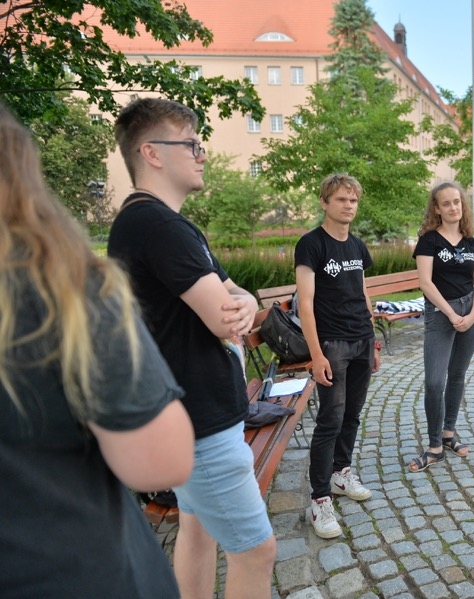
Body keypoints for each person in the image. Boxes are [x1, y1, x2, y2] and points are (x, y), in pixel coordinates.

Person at [0, 102, 194, 596]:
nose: (201, 155)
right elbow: (162, 462)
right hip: (75, 567)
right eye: (191, 144)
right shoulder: (58, 289)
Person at [108, 98, 276, 598]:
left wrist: (241, 303)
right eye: (190, 144)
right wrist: (238, 307)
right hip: (201, 423)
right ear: (152, 153)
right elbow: (227, 316)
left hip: (189, 417)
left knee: (198, 531)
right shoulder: (158, 226)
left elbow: (240, 295)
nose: (202, 154)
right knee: (255, 551)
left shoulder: (162, 224)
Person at [295, 173, 381, 538]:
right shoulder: (311, 245)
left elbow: (363, 297)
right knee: (330, 420)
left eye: (353, 200)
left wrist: (373, 341)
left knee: (352, 415)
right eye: (341, 199)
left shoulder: (358, 247)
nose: (348, 205)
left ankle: (341, 473)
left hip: (361, 341)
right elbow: (307, 304)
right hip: (332, 346)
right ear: (325, 202)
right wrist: (316, 355)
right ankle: (319, 500)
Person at [408, 182, 474, 472]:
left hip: (471, 312)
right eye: (446, 203)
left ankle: (449, 433)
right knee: (434, 381)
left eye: (457, 202)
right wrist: (452, 314)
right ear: (436, 209)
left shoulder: (471, 243)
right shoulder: (429, 241)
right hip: (441, 313)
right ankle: (434, 446)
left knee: (457, 375)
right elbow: (425, 282)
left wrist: (473, 313)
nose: (453, 207)